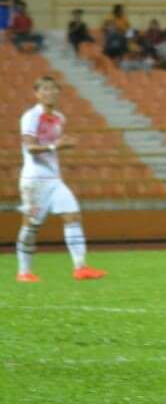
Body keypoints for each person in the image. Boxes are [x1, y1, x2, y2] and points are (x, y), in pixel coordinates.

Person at [15, 76, 108, 283]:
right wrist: (55, 146)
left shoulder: (59, 117)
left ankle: (80, 267)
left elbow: (52, 144)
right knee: (31, 225)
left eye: (54, 89)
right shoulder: (31, 116)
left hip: (54, 179)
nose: (50, 92)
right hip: (34, 180)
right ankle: (24, 272)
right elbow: (30, 148)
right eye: (45, 89)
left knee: (72, 215)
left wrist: (58, 144)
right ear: (37, 93)